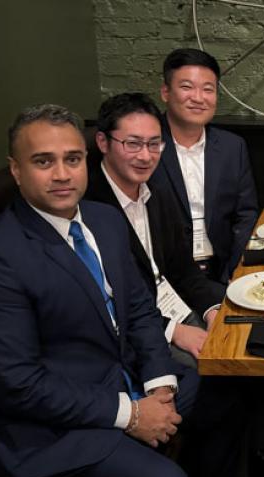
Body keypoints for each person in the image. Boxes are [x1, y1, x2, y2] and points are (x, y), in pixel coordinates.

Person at [0, 104, 195, 477]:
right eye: (43, 161)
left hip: (127, 382)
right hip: (54, 428)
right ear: (16, 170)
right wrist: (132, 414)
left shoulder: (104, 219)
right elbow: (19, 383)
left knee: (227, 387)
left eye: (72, 159)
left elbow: (138, 308)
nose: (62, 174)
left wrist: (160, 384)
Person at [84, 92, 226, 368]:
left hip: (173, 302)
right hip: (133, 331)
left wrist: (212, 310)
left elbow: (182, 267)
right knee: (211, 369)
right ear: (103, 142)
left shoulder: (157, 190)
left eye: (154, 144)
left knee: (243, 326)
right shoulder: (90, 207)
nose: (146, 156)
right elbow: (108, 303)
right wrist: (175, 331)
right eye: (133, 144)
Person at [154, 47, 259, 282]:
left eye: (208, 89)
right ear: (165, 92)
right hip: (165, 279)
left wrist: (234, 270)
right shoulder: (146, 146)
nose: (199, 97)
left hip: (221, 271)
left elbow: (246, 214)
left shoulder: (233, 147)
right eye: (187, 87)